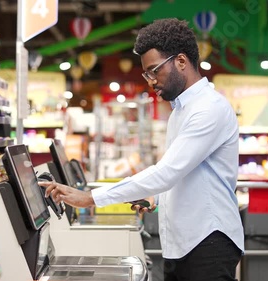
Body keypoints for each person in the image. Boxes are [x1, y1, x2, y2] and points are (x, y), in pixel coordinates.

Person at [39, 18, 244, 281]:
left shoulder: (208, 109)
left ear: (181, 61)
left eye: (154, 71)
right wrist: (155, 198)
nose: (151, 82)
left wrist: (89, 198)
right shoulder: (181, 110)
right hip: (185, 242)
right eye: (147, 74)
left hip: (208, 242)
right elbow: (184, 173)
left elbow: (167, 173)